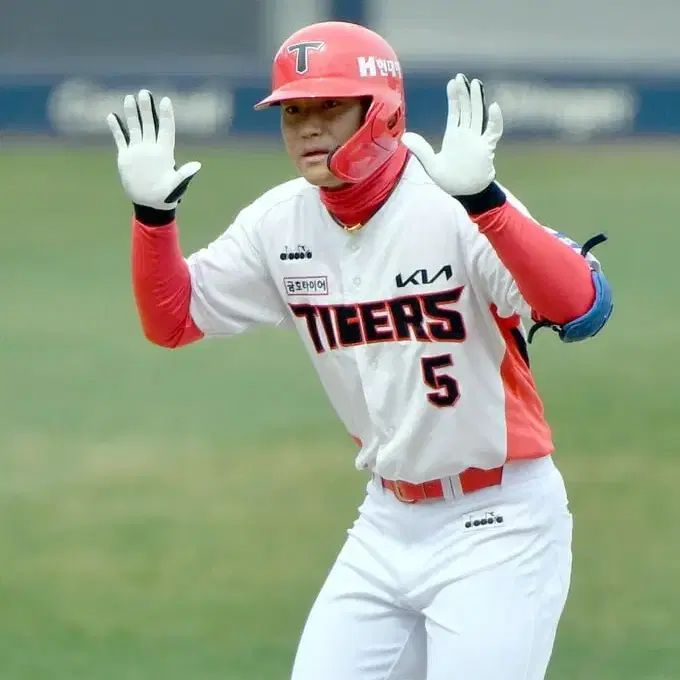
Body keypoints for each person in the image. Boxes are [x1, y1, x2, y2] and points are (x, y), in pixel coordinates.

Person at [106, 20, 612, 680]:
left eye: (329, 106)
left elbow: (581, 306)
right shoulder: (279, 222)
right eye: (294, 111)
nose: (309, 128)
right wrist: (153, 220)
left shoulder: (450, 204)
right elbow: (172, 318)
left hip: (499, 522)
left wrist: (486, 202)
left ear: (383, 111)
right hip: (385, 521)